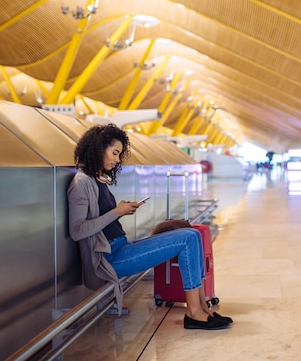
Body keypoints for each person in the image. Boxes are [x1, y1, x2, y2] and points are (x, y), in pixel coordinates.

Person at [67, 123, 232, 330]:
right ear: (99, 148)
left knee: (193, 234)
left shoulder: (97, 180)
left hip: (122, 247)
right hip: (109, 259)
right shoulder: (81, 183)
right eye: (115, 153)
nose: (117, 159)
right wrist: (117, 212)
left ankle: (201, 306)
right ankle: (193, 312)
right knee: (188, 238)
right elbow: (77, 230)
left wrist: (122, 210)